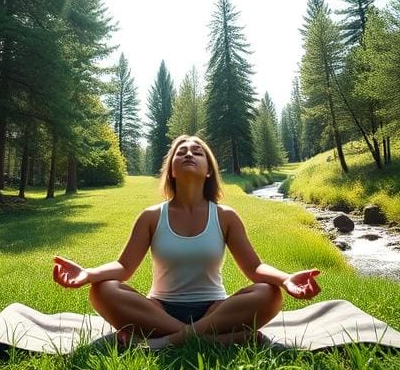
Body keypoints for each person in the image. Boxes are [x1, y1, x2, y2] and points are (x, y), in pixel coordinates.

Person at [52, 134, 322, 348]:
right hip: (159, 309)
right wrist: (88, 274)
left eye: (197, 151)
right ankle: (223, 340)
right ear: (171, 170)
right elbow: (124, 267)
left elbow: (254, 268)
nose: (189, 154)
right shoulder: (151, 216)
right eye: (181, 152)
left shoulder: (226, 216)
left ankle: (165, 342)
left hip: (214, 309)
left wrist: (285, 279)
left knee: (269, 293)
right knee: (102, 290)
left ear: (208, 171)